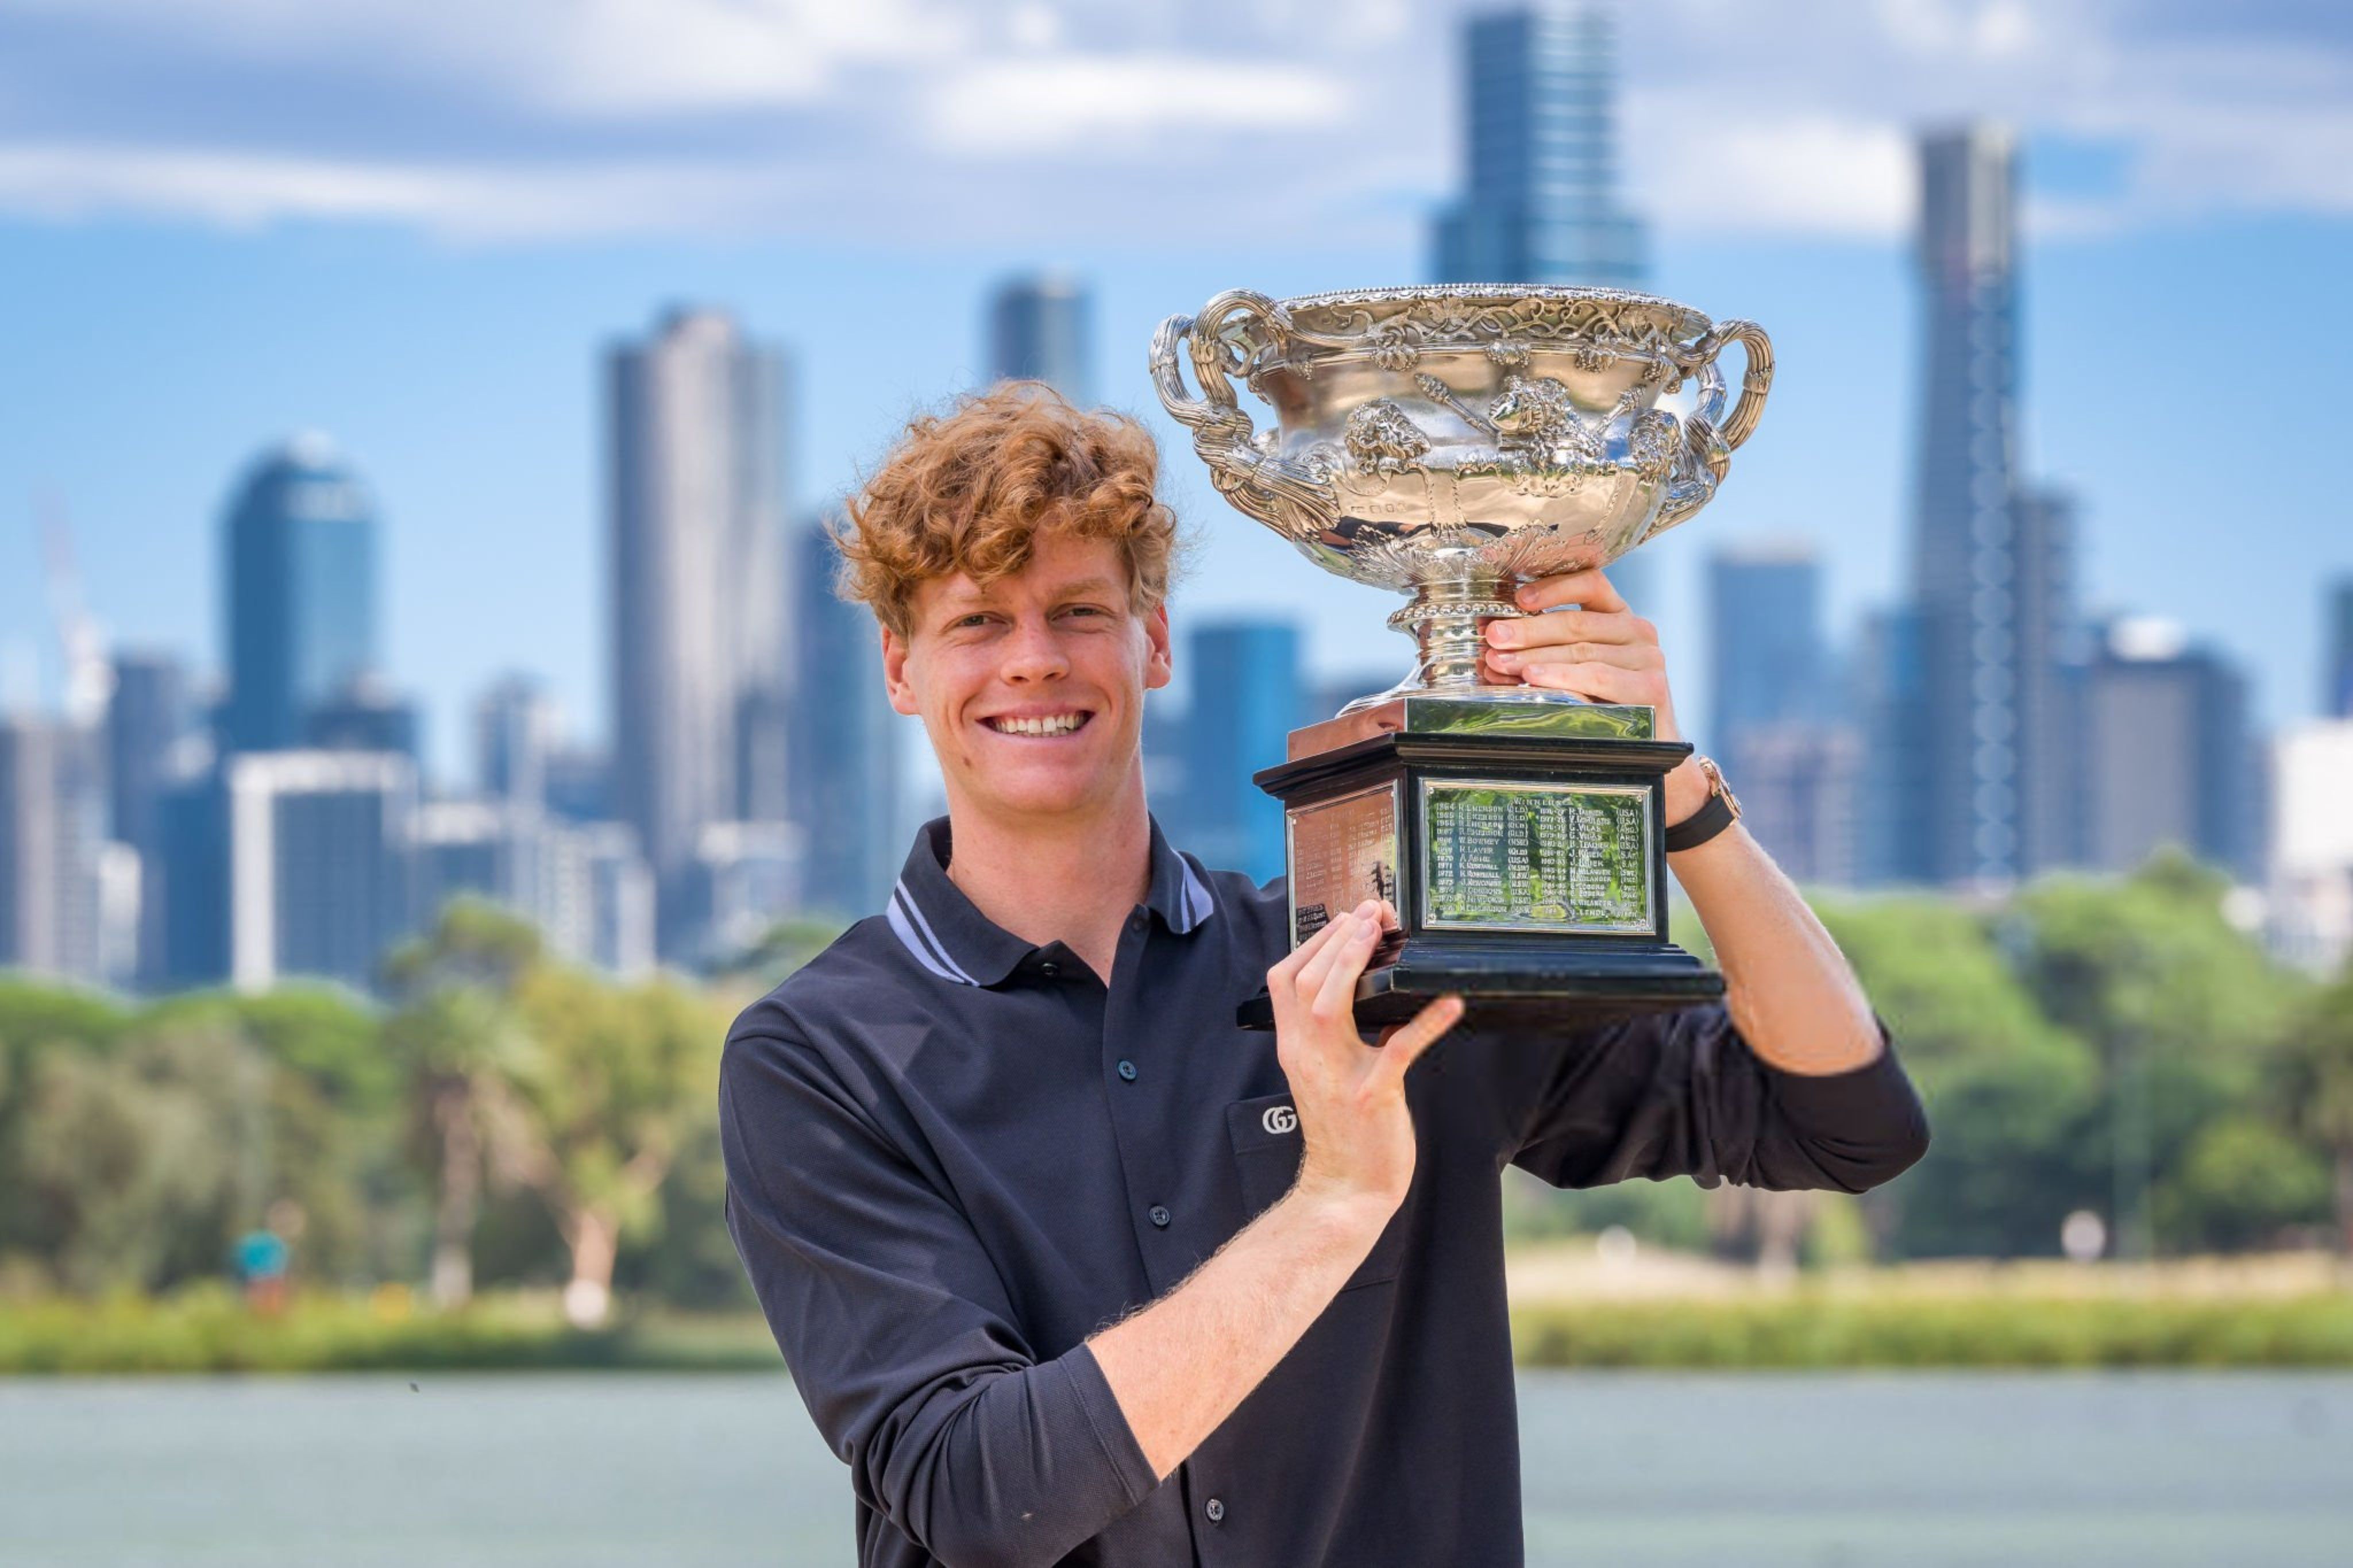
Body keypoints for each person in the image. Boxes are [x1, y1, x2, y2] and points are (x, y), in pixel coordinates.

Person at [719, 384, 1929, 1568]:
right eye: (977, 622)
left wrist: (1669, 785)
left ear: (1151, 643)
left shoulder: (1367, 961)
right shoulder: (821, 1057)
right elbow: (978, 1496)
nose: (1032, 662)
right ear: (898, 668)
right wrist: (1334, 1200)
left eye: (1078, 612)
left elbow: (1839, 1122)